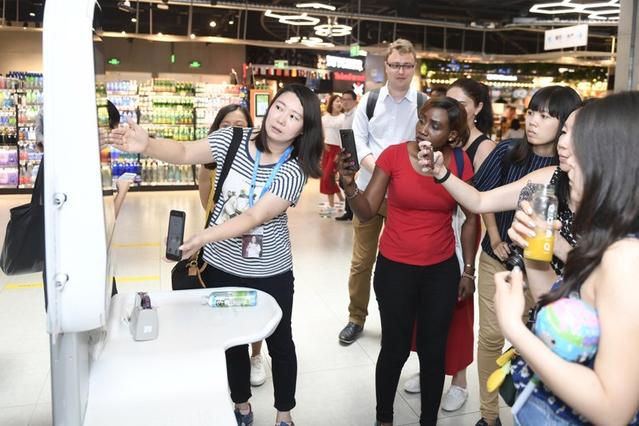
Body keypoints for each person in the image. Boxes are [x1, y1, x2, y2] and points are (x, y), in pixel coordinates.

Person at [110, 84, 324, 426]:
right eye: (279, 107)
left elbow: (254, 216)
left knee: (280, 342)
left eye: (294, 116)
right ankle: (242, 406)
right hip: (222, 266)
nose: (282, 119)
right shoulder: (233, 139)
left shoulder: (295, 169)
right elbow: (183, 151)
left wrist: (203, 237)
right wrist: (147, 144)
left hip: (270, 272)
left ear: (304, 128)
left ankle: (284, 413)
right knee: (232, 342)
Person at [423, 85, 581, 426]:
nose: (533, 121)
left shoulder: (610, 201)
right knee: (494, 337)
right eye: (532, 112)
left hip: (555, 283)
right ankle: (489, 415)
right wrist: (442, 174)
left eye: (548, 117)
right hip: (506, 263)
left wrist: (556, 246)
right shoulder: (544, 174)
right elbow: (481, 199)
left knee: (541, 345)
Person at [495, 91, 639, 425]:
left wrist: (514, 327)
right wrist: (535, 251)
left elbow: (612, 410)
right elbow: (565, 310)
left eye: (581, 150)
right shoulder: (608, 233)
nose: (567, 161)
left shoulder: (626, 258)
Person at [338, 97, 478, 426]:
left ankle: (428, 420)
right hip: (395, 270)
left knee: (433, 352)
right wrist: (349, 187)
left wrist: (468, 270)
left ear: (452, 136)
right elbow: (367, 211)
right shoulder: (394, 155)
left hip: (441, 271)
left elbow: (472, 217)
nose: (423, 129)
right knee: (395, 348)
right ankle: (383, 419)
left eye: (435, 125)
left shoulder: (459, 163)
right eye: (422, 120)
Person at [403, 78, 497, 410]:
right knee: (426, 312)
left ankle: (458, 380)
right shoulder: (431, 135)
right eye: (449, 101)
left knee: (458, 312)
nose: (452, 108)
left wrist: (486, 246)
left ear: (478, 108)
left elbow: (483, 202)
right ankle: (429, 368)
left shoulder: (482, 147)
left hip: (461, 235)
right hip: (430, 236)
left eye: (462, 104)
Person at [338, 38, 425, 345]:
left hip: (406, 196)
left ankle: (401, 320)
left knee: (404, 263)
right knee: (362, 261)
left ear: (414, 68)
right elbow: (359, 141)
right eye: (395, 65)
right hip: (367, 191)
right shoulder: (370, 101)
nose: (401, 71)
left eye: (407, 66)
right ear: (386, 66)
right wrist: (380, 170)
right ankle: (356, 318)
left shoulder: (423, 104)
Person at [194, 104, 269, 388]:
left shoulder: (261, 158)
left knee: (255, 295)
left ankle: (256, 355)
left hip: (253, 238)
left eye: (239, 125)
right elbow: (207, 203)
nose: (232, 131)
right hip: (221, 238)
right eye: (226, 125)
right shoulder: (210, 160)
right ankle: (231, 353)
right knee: (227, 297)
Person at [319, 94, 345, 215]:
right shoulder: (324, 118)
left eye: (340, 101)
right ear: (332, 103)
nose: (339, 103)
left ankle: (332, 204)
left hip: (337, 150)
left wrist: (340, 152)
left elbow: (345, 136)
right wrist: (323, 144)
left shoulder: (344, 118)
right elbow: (321, 133)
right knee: (327, 177)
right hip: (327, 149)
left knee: (327, 177)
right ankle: (340, 199)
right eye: (337, 101)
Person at [335, 90, 358, 221]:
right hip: (344, 153)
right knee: (344, 182)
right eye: (343, 99)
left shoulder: (356, 115)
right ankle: (349, 211)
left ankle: (352, 212)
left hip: (352, 154)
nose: (345, 102)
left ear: (354, 101)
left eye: (348, 99)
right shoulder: (346, 115)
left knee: (348, 182)